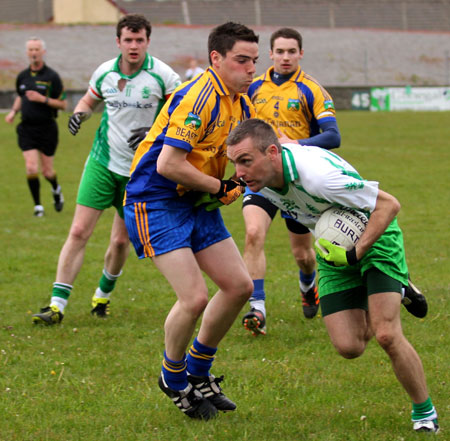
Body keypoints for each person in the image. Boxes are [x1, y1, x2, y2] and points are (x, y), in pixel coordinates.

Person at [226, 118, 438, 433]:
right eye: (235, 163)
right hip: (332, 246)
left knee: (386, 334)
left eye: (245, 161)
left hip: (376, 237)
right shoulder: (259, 180)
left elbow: (389, 205)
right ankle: (393, 288)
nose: (239, 172)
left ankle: (425, 414)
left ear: (273, 152)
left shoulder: (318, 178)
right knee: (349, 346)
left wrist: (355, 253)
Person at [124, 22, 258, 420]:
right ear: (215, 59)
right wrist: (220, 187)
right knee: (194, 298)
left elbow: (251, 156)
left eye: (254, 61)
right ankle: (173, 375)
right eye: (241, 60)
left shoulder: (242, 102)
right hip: (155, 199)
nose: (251, 69)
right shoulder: (198, 98)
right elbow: (168, 165)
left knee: (238, 286)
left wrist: (240, 181)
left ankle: (199, 371)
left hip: (196, 197)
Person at [32, 14, 181, 325]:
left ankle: (102, 295)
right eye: (128, 40)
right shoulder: (105, 73)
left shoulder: (163, 76)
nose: (134, 46)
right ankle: (56, 305)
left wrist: (155, 131)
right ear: (118, 42)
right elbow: (88, 101)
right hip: (102, 163)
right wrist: (80, 114)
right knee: (78, 231)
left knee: (119, 241)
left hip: (139, 172)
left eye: (139, 40)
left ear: (147, 42)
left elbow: (178, 117)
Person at [240, 28, 341, 335]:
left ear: (300, 54)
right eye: (280, 51)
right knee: (254, 232)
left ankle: (308, 283)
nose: (285, 57)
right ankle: (257, 308)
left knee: (303, 255)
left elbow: (333, 135)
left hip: (295, 179)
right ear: (270, 54)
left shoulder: (311, 89)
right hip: (259, 177)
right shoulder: (253, 87)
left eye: (291, 51)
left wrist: (295, 145)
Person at [5, 37, 67, 217]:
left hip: (47, 128)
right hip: (27, 128)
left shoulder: (52, 77)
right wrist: (13, 112)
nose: (33, 53)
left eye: (37, 49)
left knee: (47, 171)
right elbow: (20, 96)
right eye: (31, 50)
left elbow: (63, 104)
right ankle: (38, 206)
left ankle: (56, 188)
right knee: (31, 167)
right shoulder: (22, 76)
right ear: (27, 53)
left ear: (43, 52)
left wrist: (43, 100)